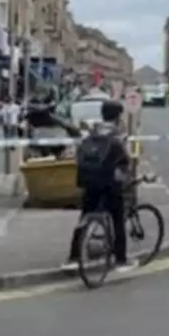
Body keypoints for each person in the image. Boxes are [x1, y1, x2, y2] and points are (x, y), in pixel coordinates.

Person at [65, 99, 135, 272]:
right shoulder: (118, 134)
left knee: (84, 217)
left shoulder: (92, 131)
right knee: (117, 218)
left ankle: (73, 258)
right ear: (118, 116)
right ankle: (121, 260)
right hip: (110, 183)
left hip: (89, 181)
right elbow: (125, 159)